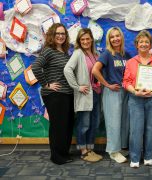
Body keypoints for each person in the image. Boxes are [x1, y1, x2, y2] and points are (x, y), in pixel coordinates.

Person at [32, 23, 75, 165]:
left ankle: (64, 153)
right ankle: (57, 157)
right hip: (55, 95)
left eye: (63, 34)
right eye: (58, 33)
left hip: (67, 93)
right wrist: (46, 84)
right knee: (58, 126)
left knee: (67, 125)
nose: (61, 36)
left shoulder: (64, 52)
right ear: (52, 35)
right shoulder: (48, 51)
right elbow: (36, 67)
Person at [123, 30, 152, 168]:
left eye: (146, 42)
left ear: (150, 44)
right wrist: (135, 92)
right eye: (141, 42)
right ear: (137, 44)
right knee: (136, 129)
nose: (143, 44)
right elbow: (126, 82)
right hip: (135, 99)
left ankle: (148, 156)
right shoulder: (131, 62)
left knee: (150, 128)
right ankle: (135, 158)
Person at [92, 27, 130, 163]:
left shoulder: (126, 55)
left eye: (117, 36)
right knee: (113, 122)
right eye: (112, 37)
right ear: (109, 39)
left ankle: (119, 148)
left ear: (121, 37)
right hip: (112, 92)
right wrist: (106, 84)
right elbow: (95, 70)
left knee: (123, 121)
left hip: (125, 92)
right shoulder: (107, 54)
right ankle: (113, 151)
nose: (115, 39)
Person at [64, 28, 102, 162]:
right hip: (85, 94)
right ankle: (83, 151)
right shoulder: (78, 53)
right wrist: (77, 86)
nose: (85, 41)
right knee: (84, 123)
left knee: (94, 123)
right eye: (82, 39)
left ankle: (90, 149)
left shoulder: (96, 54)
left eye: (87, 38)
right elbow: (67, 69)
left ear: (92, 39)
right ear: (79, 41)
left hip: (96, 93)